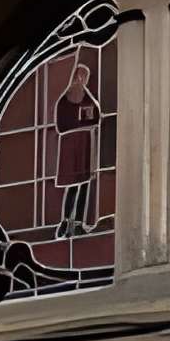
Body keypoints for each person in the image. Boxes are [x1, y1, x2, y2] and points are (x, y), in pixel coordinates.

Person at [52, 59, 100, 239]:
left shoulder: (84, 96)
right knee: (73, 185)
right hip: (73, 145)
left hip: (83, 144)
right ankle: (66, 223)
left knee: (83, 184)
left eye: (85, 78)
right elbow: (61, 125)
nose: (83, 80)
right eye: (82, 77)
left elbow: (95, 117)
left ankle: (77, 223)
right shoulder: (65, 99)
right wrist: (81, 121)